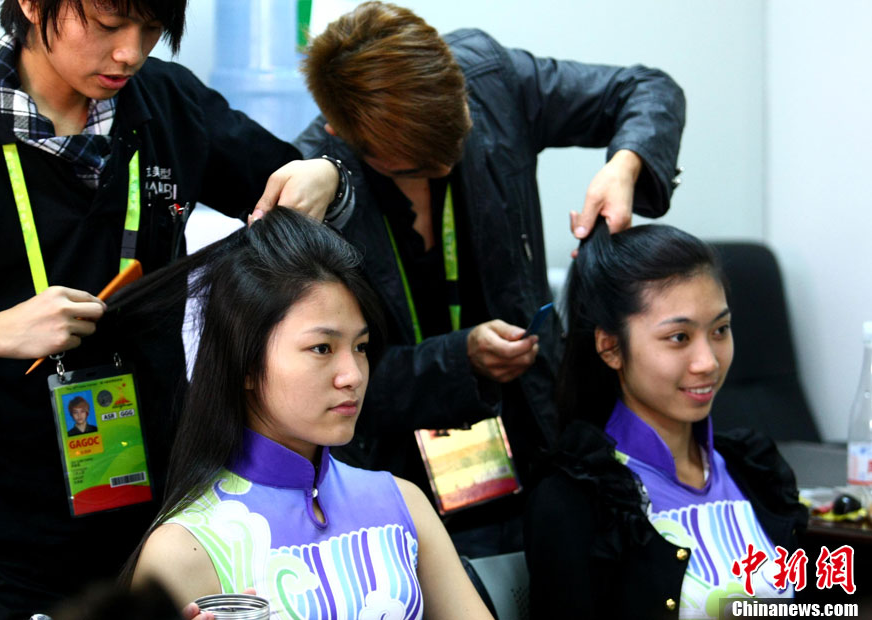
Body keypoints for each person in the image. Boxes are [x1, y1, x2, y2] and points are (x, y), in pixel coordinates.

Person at [0, 1, 354, 617]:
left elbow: (293, 190)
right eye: (108, 25)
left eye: (153, 30)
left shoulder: (168, 104)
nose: (130, 53)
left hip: (152, 513)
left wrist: (327, 175)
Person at [292, 1, 686, 555]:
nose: (446, 167)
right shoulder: (310, 193)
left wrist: (624, 166)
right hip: (395, 486)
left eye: (457, 143)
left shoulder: (492, 79)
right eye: (416, 165)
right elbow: (326, 382)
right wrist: (460, 360)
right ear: (342, 134)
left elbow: (648, 90)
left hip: (539, 438)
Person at [122, 207, 493, 620]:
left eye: (361, 347)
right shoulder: (182, 549)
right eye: (322, 348)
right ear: (245, 364)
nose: (353, 375)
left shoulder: (402, 505)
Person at [524, 222, 808, 618]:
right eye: (679, 337)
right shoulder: (577, 500)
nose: (708, 362)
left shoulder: (755, 473)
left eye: (720, 330)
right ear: (610, 347)